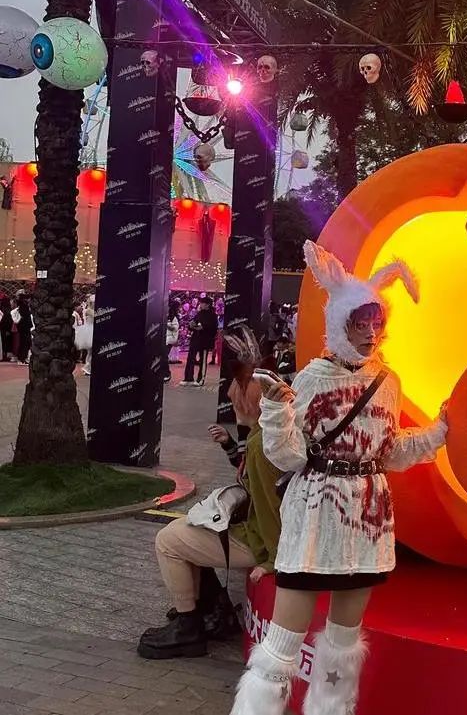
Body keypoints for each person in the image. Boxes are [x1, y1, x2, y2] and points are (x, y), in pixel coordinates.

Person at [229, 243, 449, 715]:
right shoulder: (312, 378)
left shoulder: (387, 382)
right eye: (359, 322)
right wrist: (276, 410)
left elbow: (389, 451)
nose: (370, 333)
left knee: (343, 644)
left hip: (366, 523)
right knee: (282, 644)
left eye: (376, 322)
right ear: (338, 324)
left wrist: (437, 434)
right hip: (314, 517)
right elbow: (288, 457)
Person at [139, 326, 283, 660]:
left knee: (167, 541)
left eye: (236, 397)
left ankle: (188, 627)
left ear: (248, 400)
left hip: (258, 540)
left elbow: (270, 507)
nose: (232, 401)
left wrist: (273, 560)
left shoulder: (262, 444)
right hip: (258, 533)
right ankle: (211, 610)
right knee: (187, 528)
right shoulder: (266, 435)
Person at [180, 296, 218, 387]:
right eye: (200, 303)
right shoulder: (199, 313)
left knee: (202, 360)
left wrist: (203, 327)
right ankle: (188, 378)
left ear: (208, 304)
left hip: (205, 340)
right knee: (190, 358)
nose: (200, 304)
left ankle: (200, 379)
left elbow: (213, 329)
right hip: (195, 338)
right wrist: (191, 326)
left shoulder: (213, 315)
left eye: (202, 303)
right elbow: (194, 323)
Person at [74, 294, 95, 376]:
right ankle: (88, 368)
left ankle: (88, 367)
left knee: (90, 352)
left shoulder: (88, 310)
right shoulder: (88, 310)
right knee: (90, 352)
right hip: (89, 331)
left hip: (90, 331)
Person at [164, 303, 181, 382]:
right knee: (162, 356)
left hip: (170, 339)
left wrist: (166, 324)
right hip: (164, 339)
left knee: (164, 356)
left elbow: (174, 328)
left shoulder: (173, 317)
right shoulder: (164, 316)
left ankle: (167, 374)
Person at [14, 292, 32, 365]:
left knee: (24, 342)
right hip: (25, 327)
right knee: (25, 343)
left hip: (22, 327)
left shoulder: (21, 306)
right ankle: (22, 358)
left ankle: (22, 358)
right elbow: (26, 316)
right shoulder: (24, 306)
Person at [0, 295, 13, 362]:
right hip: (6, 329)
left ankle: (4, 355)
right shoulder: (8, 310)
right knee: (6, 343)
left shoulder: (3, 309)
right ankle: (5, 355)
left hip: (3, 329)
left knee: (4, 343)